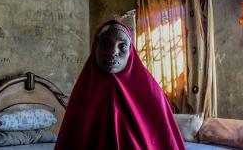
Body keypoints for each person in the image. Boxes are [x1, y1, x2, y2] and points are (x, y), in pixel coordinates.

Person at [55, 20, 185, 150]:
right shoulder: (83, 92)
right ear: (95, 47)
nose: (113, 52)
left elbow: (164, 140)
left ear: (130, 52)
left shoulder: (151, 92)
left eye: (122, 46)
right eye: (106, 44)